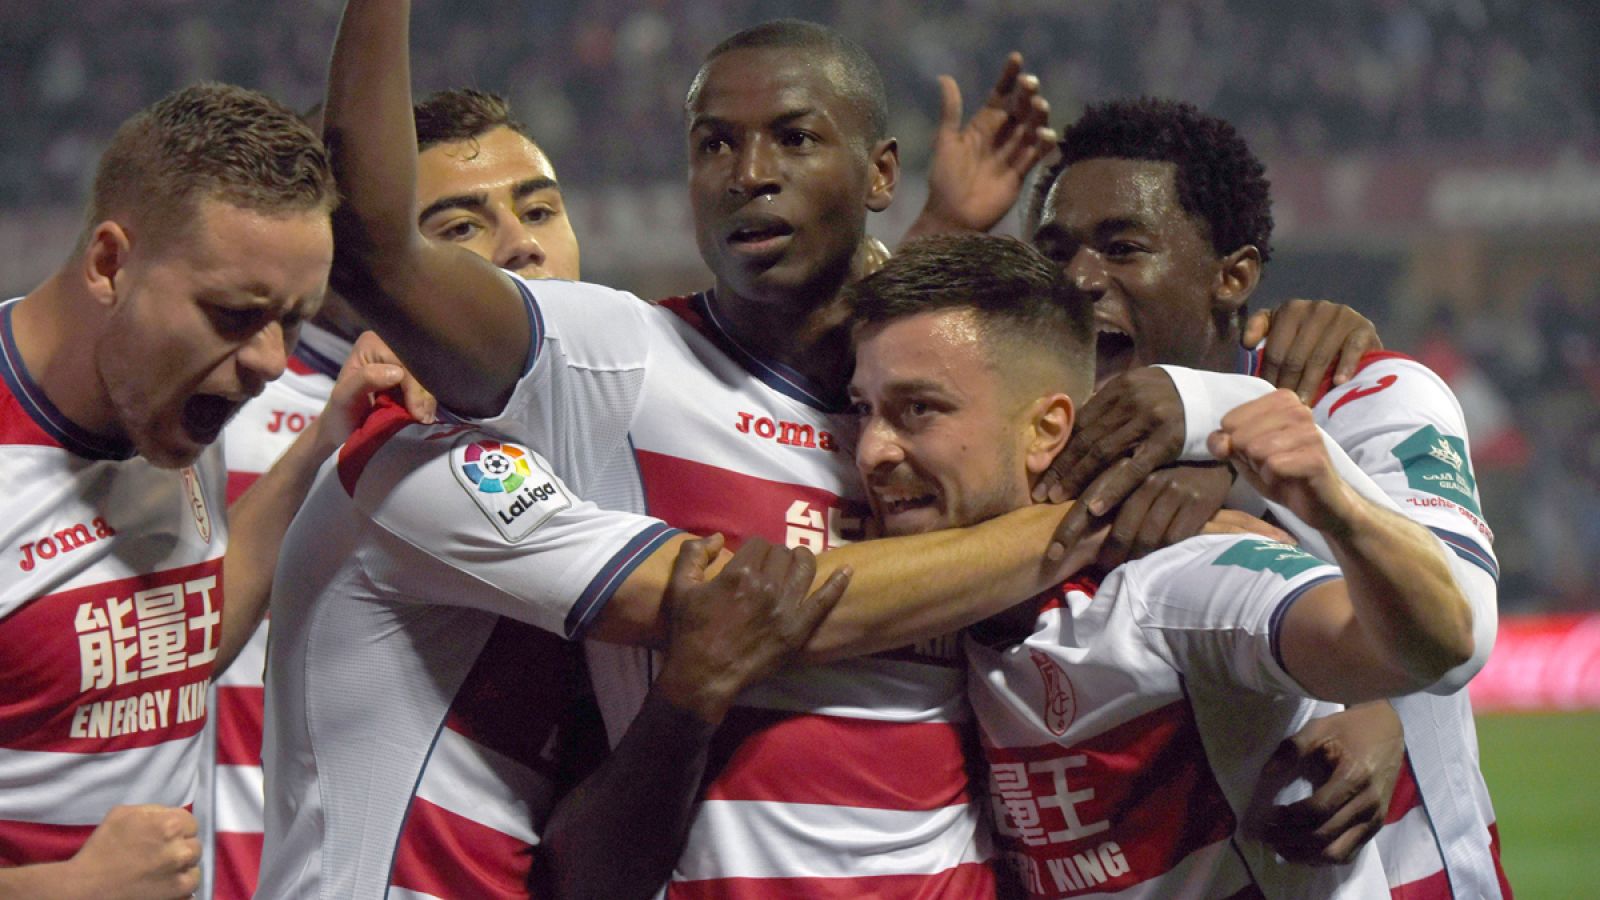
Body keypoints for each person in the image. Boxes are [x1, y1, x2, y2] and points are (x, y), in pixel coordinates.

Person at [306, 2, 1103, 894]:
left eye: (794, 139)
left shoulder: (945, 398)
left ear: (881, 173)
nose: (748, 175)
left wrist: (1199, 408)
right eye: (714, 145)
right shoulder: (612, 358)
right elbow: (375, 255)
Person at [846, 233, 1478, 897]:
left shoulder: (1176, 578)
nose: (872, 451)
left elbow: (1427, 648)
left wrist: (1339, 504)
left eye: (919, 410)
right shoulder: (947, 612)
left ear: (1045, 430)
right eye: (863, 410)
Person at [1030, 98, 1509, 896]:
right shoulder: (1042, 445)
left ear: (1234, 276)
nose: (1078, 278)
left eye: (1123, 247)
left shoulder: (1366, 395)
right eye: (1056, 251)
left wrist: (1210, 414)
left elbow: (1460, 627)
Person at [0, 82, 426, 898]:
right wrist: (59, 890)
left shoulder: (166, 403)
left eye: (293, 321)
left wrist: (322, 445)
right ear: (109, 265)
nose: (269, 361)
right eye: (234, 314)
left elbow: (173, 641)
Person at [199, 86, 582, 900]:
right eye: (460, 225)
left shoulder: (577, 420)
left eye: (541, 212)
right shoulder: (218, 409)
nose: (519, 247)